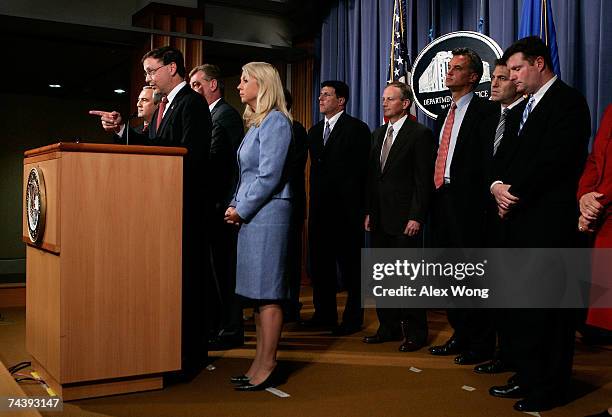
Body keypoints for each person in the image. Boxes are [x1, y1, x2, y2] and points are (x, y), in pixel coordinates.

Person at [90, 45, 213, 381]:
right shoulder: (166, 106)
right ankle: (170, 351)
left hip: (185, 207)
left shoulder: (191, 102)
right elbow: (155, 149)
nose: (147, 77)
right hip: (165, 208)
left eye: (151, 70)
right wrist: (120, 132)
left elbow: (191, 155)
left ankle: (190, 356)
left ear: (172, 68)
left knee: (188, 283)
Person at [488, 36, 591, 412]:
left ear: (540, 64)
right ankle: (529, 376)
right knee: (527, 308)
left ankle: (552, 386)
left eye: (517, 69)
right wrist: (498, 187)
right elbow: (505, 160)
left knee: (551, 310)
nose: (512, 77)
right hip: (519, 221)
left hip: (551, 223)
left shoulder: (568, 102)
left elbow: (555, 161)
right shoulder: (522, 109)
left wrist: (513, 193)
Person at [224, 61, 294, 391]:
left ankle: (268, 364)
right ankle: (257, 361)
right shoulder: (256, 123)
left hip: (269, 214)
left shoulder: (277, 122)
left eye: (245, 79)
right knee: (256, 293)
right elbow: (246, 174)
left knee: (269, 294)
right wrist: (235, 206)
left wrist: (242, 208)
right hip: (254, 214)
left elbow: (270, 176)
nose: (239, 86)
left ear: (263, 84)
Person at [428, 48, 497, 365]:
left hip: (469, 204)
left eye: (457, 68)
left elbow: (486, 162)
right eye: (449, 67)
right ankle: (459, 333)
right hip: (442, 200)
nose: (449, 72)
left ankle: (480, 342)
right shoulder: (445, 113)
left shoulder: (486, 111)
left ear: (472, 76)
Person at [363, 81, 434, 350]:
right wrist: (369, 211)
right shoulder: (377, 133)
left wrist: (417, 216)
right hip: (379, 217)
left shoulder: (419, 134)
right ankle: (388, 327)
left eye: (390, 99)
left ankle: (416, 332)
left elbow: (422, 181)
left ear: (405, 104)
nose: (384, 103)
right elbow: (373, 179)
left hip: (406, 219)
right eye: (383, 98)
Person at [305, 80, 371, 336]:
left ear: (341, 100)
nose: (320, 99)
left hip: (347, 213)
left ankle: (353, 319)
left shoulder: (357, 129)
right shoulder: (313, 131)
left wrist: (365, 210)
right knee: (321, 267)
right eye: (320, 94)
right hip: (320, 212)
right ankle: (324, 315)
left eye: (326, 95)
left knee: (351, 269)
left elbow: (364, 173)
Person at [190, 64, 246, 350]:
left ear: (213, 85)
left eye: (198, 85)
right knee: (215, 270)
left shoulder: (225, 115)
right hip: (213, 205)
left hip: (224, 206)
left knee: (225, 271)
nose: (194, 91)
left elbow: (233, 166)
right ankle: (220, 325)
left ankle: (231, 328)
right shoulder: (210, 116)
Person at [474, 58, 524, 375]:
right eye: (492, 77)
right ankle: (497, 350)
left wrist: (508, 194)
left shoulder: (526, 116)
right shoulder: (490, 116)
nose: (494, 83)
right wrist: (492, 186)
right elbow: (481, 165)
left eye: (501, 78)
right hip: (486, 215)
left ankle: (512, 355)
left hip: (516, 215)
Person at [578, 105, 612, 417]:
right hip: (605, 223)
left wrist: (596, 199)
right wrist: (585, 195)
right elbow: (594, 159)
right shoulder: (611, 110)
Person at [282, 87, 309, 323]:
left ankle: (290, 306)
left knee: (289, 259)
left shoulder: (295, 129)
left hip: (289, 204)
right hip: (274, 205)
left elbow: (290, 168)